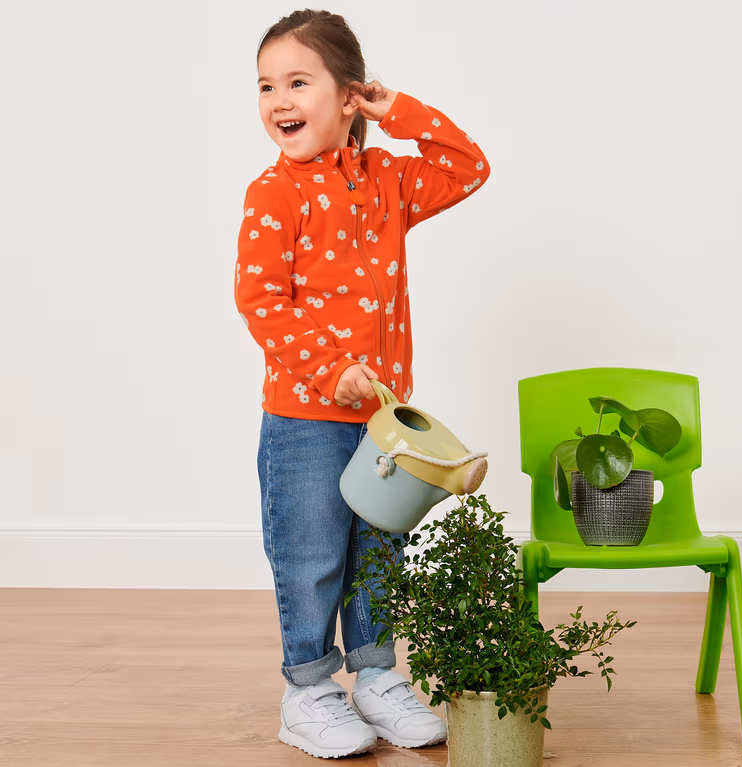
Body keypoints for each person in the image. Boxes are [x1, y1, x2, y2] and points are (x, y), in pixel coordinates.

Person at [234, 9, 490, 760]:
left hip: (385, 423)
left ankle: (376, 676)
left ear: (349, 96)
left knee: (380, 553)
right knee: (311, 555)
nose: (279, 100)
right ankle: (309, 691)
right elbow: (260, 301)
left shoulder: (389, 181)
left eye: (298, 82)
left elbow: (468, 168)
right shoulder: (272, 193)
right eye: (266, 86)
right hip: (304, 420)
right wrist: (329, 368)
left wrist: (396, 109)